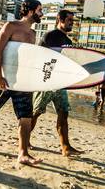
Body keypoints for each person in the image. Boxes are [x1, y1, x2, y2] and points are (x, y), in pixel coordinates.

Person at [0, 0, 43, 165]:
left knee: (26, 117)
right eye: (40, 10)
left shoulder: (33, 34)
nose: (42, 14)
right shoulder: (10, 26)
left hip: (22, 81)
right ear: (30, 11)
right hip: (5, 78)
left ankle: (23, 153)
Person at [31, 10, 83, 156]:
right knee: (36, 112)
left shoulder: (69, 42)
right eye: (69, 19)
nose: (72, 22)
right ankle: (24, 140)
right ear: (60, 19)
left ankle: (65, 147)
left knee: (63, 112)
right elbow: (38, 55)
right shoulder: (50, 36)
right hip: (46, 81)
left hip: (60, 82)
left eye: (73, 20)